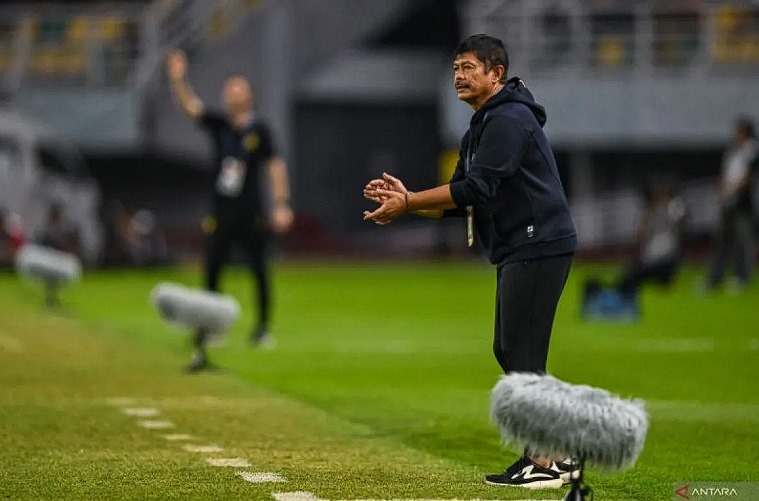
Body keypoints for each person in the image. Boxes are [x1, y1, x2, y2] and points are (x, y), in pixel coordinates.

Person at [363, 34, 578, 489]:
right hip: (521, 247)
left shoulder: (509, 120)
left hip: (540, 244)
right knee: (511, 351)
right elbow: (461, 196)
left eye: (467, 68)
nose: (458, 76)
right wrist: (407, 201)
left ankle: (544, 460)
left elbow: (478, 189)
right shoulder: (481, 126)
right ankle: (561, 450)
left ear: (495, 73)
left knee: (521, 352)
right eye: (455, 69)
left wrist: (410, 202)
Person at [166, 50, 293, 372]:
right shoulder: (220, 125)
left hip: (252, 210)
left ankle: (262, 328)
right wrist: (178, 78)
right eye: (228, 92)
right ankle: (211, 328)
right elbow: (190, 107)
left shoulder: (260, 131)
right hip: (221, 209)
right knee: (212, 268)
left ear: (248, 97)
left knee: (259, 271)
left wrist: (281, 204)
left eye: (237, 91)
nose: (231, 96)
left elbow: (275, 166)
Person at [706, 117, 758, 293]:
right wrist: (722, 190)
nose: (735, 134)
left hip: (742, 204)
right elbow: (725, 173)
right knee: (721, 240)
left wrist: (734, 189)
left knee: (743, 242)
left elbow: (749, 177)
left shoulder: (752, 149)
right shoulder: (733, 150)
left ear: (745, 132)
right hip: (727, 202)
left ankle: (741, 277)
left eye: (738, 131)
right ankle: (715, 277)